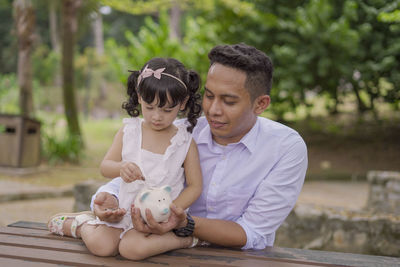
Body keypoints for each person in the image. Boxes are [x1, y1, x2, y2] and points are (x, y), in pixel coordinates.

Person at [92, 43, 308, 251]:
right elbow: (141, 173)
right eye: (209, 95)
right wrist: (109, 199)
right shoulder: (179, 132)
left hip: (239, 257)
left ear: (260, 104)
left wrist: (183, 223)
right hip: (165, 249)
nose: (213, 110)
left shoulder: (285, 148)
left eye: (229, 102)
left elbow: (252, 231)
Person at [48, 57, 203, 260]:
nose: (157, 116)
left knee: (131, 249)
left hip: (159, 217)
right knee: (102, 247)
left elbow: (195, 186)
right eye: (150, 107)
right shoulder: (129, 131)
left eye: (167, 110)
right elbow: (105, 166)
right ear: (139, 97)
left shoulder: (184, 141)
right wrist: (121, 167)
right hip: (125, 210)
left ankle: (185, 240)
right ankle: (81, 225)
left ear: (182, 104)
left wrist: (173, 212)